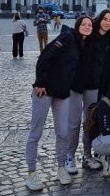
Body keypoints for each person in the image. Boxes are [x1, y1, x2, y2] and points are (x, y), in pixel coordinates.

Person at [25, 16, 93, 191]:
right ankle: (32, 172)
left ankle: (61, 168)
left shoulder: (82, 44)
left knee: (63, 132)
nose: (86, 27)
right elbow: (45, 56)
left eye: (89, 25)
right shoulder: (68, 37)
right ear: (78, 26)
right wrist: (39, 82)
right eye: (83, 24)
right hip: (45, 90)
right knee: (36, 133)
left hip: (62, 93)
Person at [65, 9, 110, 174]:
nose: (107, 23)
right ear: (99, 19)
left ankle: (87, 156)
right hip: (76, 84)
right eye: (105, 19)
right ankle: (69, 157)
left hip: (94, 86)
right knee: (73, 123)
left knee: (89, 122)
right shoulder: (88, 33)